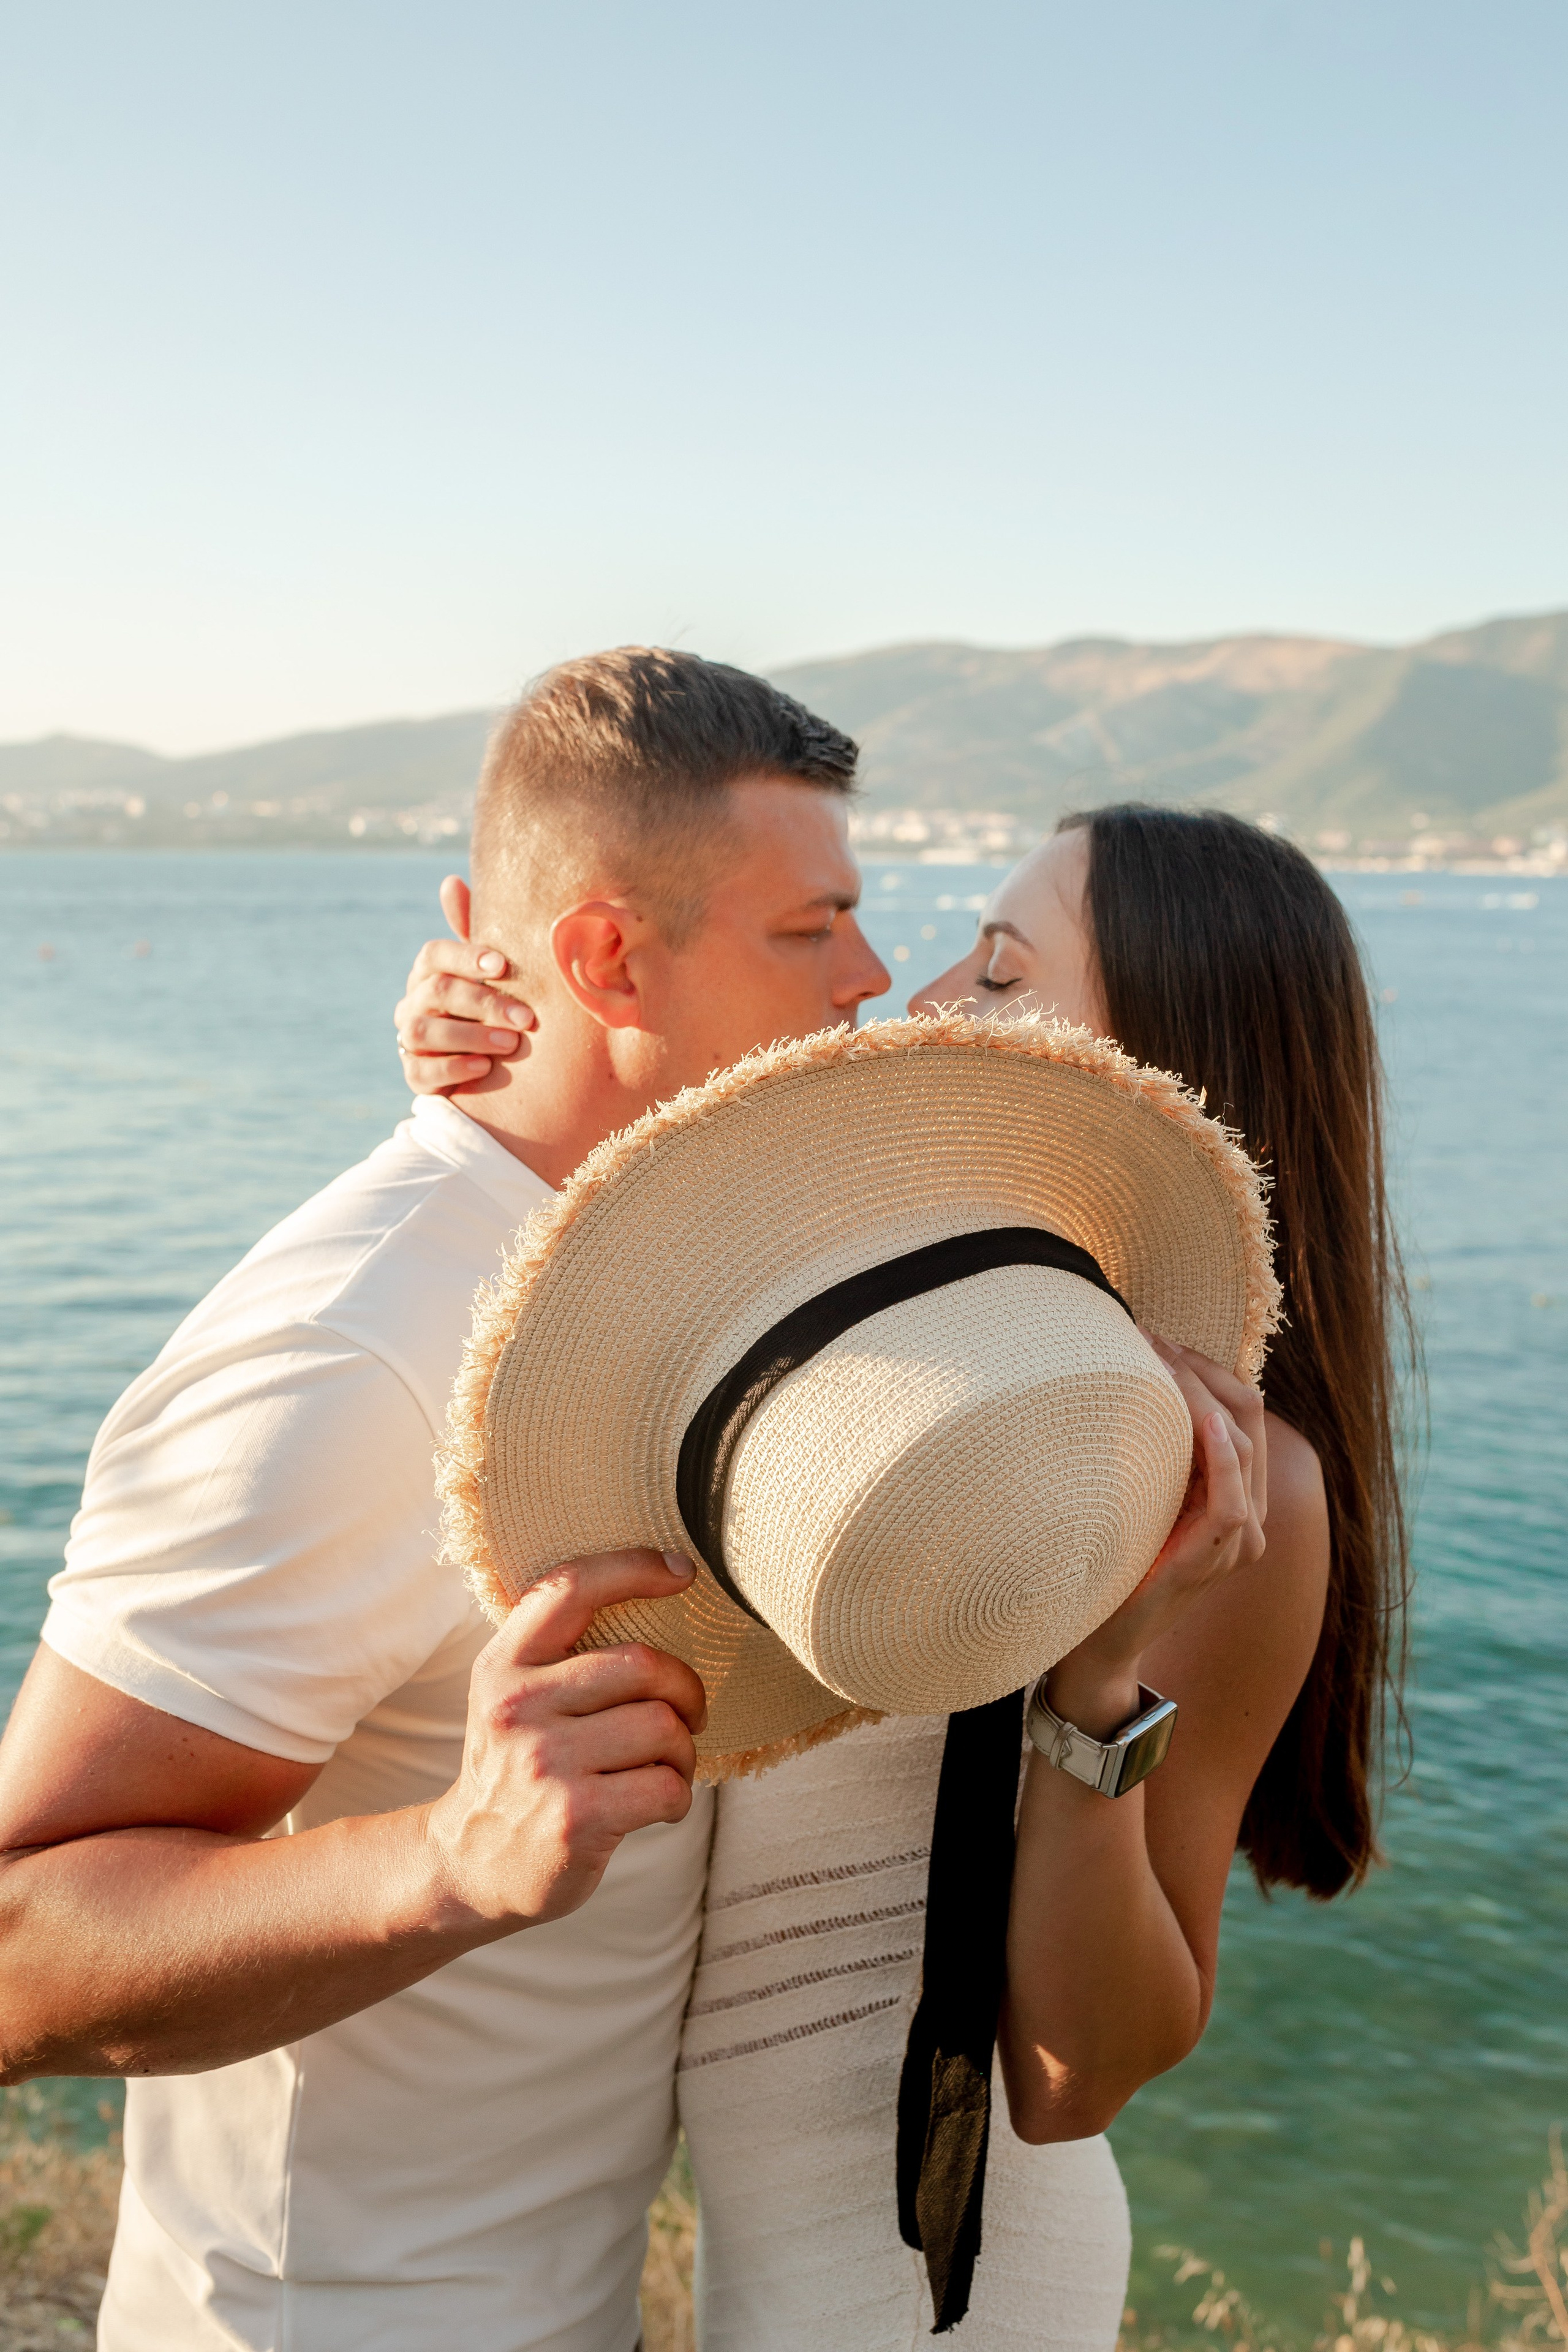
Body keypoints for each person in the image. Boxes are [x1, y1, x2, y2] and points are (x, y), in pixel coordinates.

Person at [396, 802, 1408, 2346]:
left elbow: (1079, 2075)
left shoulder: (1240, 1482)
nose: (929, 999)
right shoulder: (888, 1344)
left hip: (953, 2267)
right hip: (755, 2222)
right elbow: (629, 1268)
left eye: (999, 972)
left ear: (1168, 1057)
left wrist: (1095, 1669)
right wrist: (486, 1062)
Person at [0, 649, 895, 2352]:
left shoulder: (659, 1260)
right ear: (606, 955)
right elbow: (19, 1949)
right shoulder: (351, 1355)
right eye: (810, 930)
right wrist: (450, 1860)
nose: (869, 976)